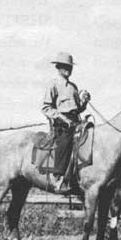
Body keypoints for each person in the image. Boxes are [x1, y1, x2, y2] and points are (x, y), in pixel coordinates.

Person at [42, 52, 91, 191]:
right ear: (58, 67)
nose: (68, 70)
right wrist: (63, 118)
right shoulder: (53, 84)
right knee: (66, 142)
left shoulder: (73, 87)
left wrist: (84, 102)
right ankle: (58, 178)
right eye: (65, 67)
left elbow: (78, 108)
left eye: (70, 67)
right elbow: (46, 107)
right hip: (62, 123)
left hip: (75, 120)